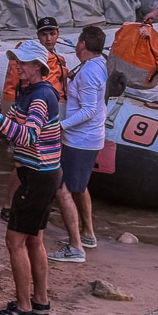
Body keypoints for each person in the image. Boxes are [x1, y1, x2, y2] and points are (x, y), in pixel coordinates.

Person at [0, 41, 61, 315]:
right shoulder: (30, 92)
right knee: (34, 239)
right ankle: (40, 301)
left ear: (38, 66)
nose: (17, 66)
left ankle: (23, 308)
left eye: (22, 62)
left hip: (37, 176)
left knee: (15, 241)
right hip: (42, 174)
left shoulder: (40, 96)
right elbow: (13, 123)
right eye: (16, 61)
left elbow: (27, 136)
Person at [0, 16, 69, 221]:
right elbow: (11, 87)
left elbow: (61, 89)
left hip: (49, 114)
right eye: (44, 34)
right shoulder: (27, 60)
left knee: (38, 160)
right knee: (21, 161)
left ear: (57, 35)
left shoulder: (58, 60)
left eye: (52, 34)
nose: (48, 38)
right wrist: (8, 116)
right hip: (30, 110)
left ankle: (39, 198)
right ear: (38, 36)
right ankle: (10, 203)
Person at [49, 25, 108, 263]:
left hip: (80, 139)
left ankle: (75, 247)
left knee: (61, 188)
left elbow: (89, 110)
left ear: (82, 44)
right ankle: (88, 234)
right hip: (89, 138)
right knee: (80, 187)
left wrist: (60, 126)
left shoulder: (89, 72)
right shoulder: (98, 65)